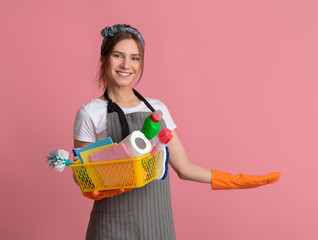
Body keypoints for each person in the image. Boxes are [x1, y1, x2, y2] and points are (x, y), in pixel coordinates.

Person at [73, 24, 281, 240]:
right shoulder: (90, 112)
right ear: (104, 58)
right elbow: (82, 176)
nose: (127, 65)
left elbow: (184, 168)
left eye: (135, 58)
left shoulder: (156, 108)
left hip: (157, 224)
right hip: (111, 225)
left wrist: (237, 180)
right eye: (118, 55)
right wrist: (92, 187)